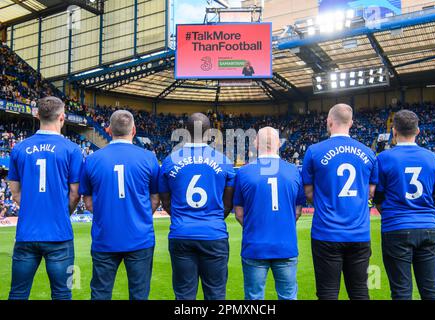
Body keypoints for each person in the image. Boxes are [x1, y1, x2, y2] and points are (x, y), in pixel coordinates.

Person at [7, 96, 83, 300]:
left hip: (26, 234)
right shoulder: (72, 149)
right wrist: (60, 211)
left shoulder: (19, 148)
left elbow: (14, 192)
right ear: (62, 117)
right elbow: (75, 194)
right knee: (62, 292)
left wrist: (32, 208)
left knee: (18, 292)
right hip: (59, 235)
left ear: (37, 115)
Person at [79, 110, 160, 300]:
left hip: (104, 238)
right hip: (140, 238)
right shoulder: (149, 158)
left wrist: (104, 214)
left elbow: (87, 201)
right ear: (134, 130)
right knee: (139, 295)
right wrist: (141, 214)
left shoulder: (91, 159)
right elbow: (155, 198)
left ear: (108, 130)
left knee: (100, 294)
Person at [301, 104, 378, 300]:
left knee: (327, 293)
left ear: (329, 121)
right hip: (359, 234)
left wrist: (324, 204)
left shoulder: (314, 151)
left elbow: (308, 191)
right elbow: (371, 192)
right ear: (351, 123)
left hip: (326, 232)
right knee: (360, 291)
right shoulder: (368, 153)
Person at [159, 112, 235, 300]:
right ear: (210, 133)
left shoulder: (170, 161)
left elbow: (166, 201)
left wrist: (179, 216)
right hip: (214, 233)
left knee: (184, 296)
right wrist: (215, 217)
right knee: (216, 294)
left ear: (185, 131)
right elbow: (228, 203)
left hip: (181, 233)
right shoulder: (224, 161)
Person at [374, 110, 435, 300]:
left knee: (401, 292)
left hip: (396, 228)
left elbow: (378, 199)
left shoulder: (383, 158)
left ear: (394, 131)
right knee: (431, 289)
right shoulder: (432, 157)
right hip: (428, 228)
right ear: (418, 131)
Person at [233, 127, 305, 300]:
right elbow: (297, 211)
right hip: (285, 246)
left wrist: (255, 227)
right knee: (288, 297)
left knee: (254, 298)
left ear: (256, 144)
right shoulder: (294, 171)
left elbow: (239, 213)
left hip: (255, 246)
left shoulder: (243, 172)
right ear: (279, 144)